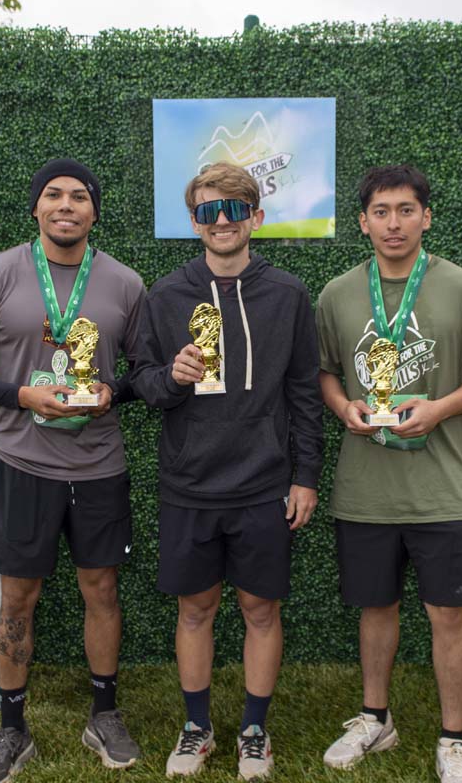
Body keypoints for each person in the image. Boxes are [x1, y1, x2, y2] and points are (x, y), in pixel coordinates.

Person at [0, 158, 146, 782]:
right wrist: (22, 396)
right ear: (36, 208)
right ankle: (12, 730)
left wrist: (115, 392)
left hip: (99, 462)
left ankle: (103, 714)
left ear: (94, 211)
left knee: (101, 589)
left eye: (79, 196)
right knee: (18, 596)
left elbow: (145, 370)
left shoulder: (125, 284)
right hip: (22, 461)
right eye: (53, 195)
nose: (66, 205)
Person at [315, 165, 462, 783]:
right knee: (376, 607)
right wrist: (344, 406)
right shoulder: (337, 294)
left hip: (443, 489)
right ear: (363, 221)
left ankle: (453, 740)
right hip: (365, 490)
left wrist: (440, 409)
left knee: (448, 615)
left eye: (405, 210)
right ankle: (376, 718)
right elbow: (322, 371)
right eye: (380, 211)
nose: (393, 223)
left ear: (426, 216)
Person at [131, 161, 323, 779]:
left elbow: (304, 392)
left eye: (234, 210)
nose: (221, 222)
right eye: (209, 211)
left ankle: (254, 732)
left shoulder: (288, 294)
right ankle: (196, 728)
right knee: (194, 610)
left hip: (265, 482)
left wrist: (306, 475)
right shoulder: (164, 296)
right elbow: (142, 381)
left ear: (256, 218)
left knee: (261, 610)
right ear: (193, 221)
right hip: (189, 483)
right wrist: (172, 378)